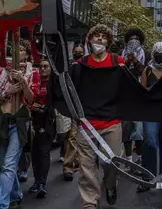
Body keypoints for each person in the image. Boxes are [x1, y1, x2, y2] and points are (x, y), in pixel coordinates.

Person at [70, 24, 124, 208]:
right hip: (86, 125)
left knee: (111, 164)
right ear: (90, 40)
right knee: (86, 168)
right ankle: (90, 203)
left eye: (103, 36)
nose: (100, 39)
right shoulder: (79, 66)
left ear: (108, 42)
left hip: (112, 123)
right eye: (96, 36)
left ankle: (110, 186)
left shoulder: (118, 62)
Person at [0, 39, 41, 209]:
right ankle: (15, 194)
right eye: (14, 49)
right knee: (5, 163)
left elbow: (31, 99)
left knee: (9, 165)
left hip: (20, 121)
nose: (17, 52)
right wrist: (7, 92)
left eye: (21, 50)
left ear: (26, 54)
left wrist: (23, 82)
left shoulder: (32, 72)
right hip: (3, 120)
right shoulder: (2, 73)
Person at [138, 42, 162, 193]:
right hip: (151, 112)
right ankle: (148, 178)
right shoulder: (147, 70)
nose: (160, 56)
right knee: (150, 142)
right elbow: (142, 91)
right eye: (157, 53)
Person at [27, 59, 56, 199]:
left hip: (47, 121)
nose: (43, 69)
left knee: (44, 152)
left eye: (46, 66)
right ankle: (36, 181)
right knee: (35, 152)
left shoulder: (53, 84)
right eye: (41, 66)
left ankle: (42, 183)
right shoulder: (33, 81)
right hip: (33, 120)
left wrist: (43, 108)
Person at [121, 29, 147, 167]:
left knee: (139, 130)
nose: (133, 40)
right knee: (126, 128)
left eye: (136, 38)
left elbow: (144, 72)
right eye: (131, 38)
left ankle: (140, 157)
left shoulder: (145, 54)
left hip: (139, 97)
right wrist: (126, 61)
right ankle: (129, 159)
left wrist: (135, 61)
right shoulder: (122, 54)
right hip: (125, 97)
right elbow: (120, 73)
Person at [61, 45, 83, 181]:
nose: (78, 54)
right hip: (74, 107)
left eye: (80, 53)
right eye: (76, 52)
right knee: (73, 136)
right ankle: (68, 166)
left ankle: (77, 163)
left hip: (87, 107)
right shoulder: (68, 68)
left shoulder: (86, 67)